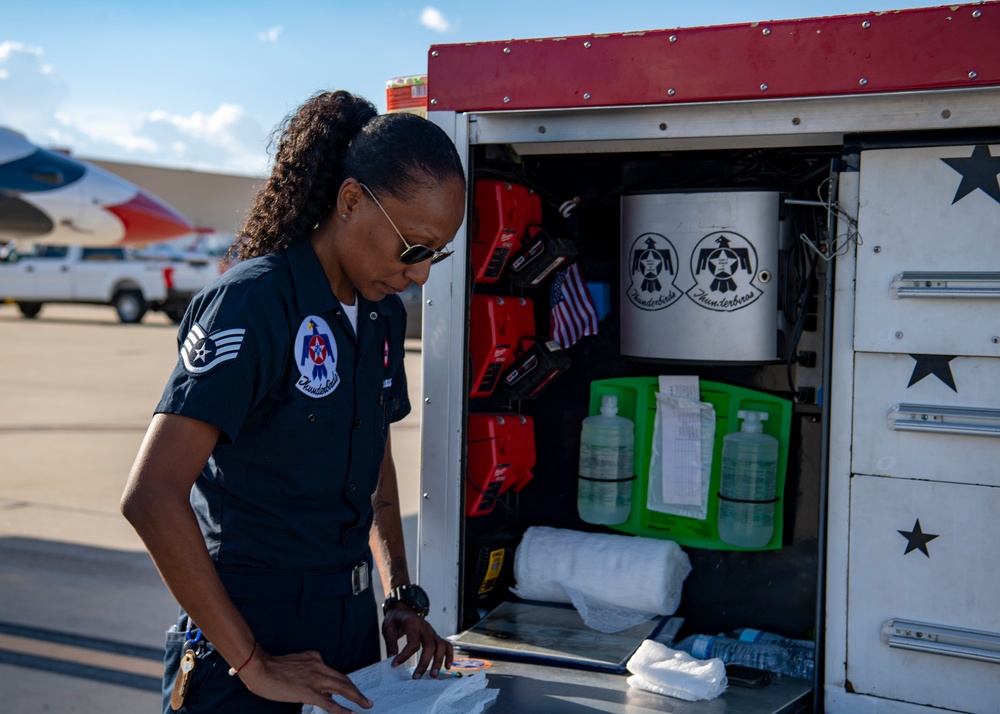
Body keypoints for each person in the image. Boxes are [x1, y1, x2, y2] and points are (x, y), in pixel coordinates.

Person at [121, 90, 467, 713]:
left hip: (349, 631)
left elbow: (373, 458)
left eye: (436, 254)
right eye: (412, 248)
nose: (421, 275)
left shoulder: (381, 315)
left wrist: (399, 596)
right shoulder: (253, 304)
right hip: (247, 640)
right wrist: (253, 664)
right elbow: (150, 496)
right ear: (351, 200)